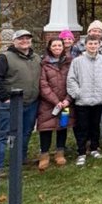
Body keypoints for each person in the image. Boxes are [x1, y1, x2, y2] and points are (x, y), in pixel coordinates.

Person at [0, 29, 41, 174]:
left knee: (25, 132)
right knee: (2, 134)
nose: (24, 41)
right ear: (14, 41)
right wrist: (4, 97)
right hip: (10, 103)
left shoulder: (36, 58)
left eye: (27, 38)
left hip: (31, 102)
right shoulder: (4, 57)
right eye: (21, 38)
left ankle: (20, 158)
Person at [66, 34, 102, 166]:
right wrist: (77, 93)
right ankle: (81, 152)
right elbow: (71, 79)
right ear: (86, 45)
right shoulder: (77, 61)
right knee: (82, 127)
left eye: (95, 44)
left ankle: (94, 148)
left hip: (98, 98)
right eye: (90, 44)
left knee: (95, 125)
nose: (93, 46)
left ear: (99, 45)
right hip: (82, 100)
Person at [35, 37, 72, 171]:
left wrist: (68, 99)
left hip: (66, 101)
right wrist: (56, 101)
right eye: (54, 46)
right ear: (50, 48)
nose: (57, 48)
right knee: (46, 128)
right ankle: (44, 155)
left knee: (63, 126)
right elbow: (43, 84)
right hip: (48, 102)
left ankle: (60, 152)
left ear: (63, 47)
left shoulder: (69, 62)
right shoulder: (44, 64)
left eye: (59, 45)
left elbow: (73, 80)